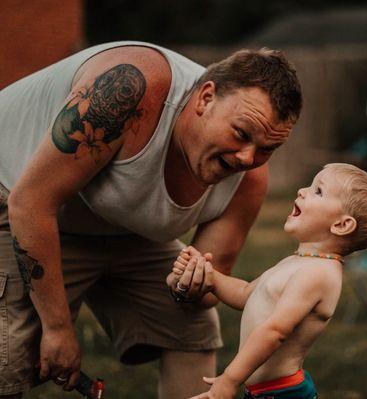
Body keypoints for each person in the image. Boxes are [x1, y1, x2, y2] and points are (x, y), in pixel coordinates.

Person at [0, 41, 302, 399]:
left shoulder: (248, 180)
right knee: (10, 353)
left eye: (267, 148)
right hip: (16, 196)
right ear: (206, 98)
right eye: (241, 134)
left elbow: (206, 290)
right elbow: (31, 203)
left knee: (192, 326)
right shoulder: (129, 91)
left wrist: (190, 284)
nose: (247, 157)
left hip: (118, 226)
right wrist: (58, 328)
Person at [167, 163, 367, 399]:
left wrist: (230, 379)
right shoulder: (298, 261)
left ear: (341, 225)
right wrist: (211, 277)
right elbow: (245, 293)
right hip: (265, 391)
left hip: (283, 392)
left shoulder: (318, 274)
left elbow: (275, 331)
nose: (302, 191)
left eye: (318, 191)